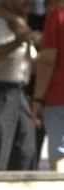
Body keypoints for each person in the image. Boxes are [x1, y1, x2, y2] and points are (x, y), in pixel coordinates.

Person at [0, 0, 41, 171]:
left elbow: (32, 63)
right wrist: (19, 41)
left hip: (20, 93)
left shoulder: (24, 24)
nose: (27, 2)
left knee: (26, 151)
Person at [32, 0, 64, 171]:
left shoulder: (57, 16)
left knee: (60, 159)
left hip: (60, 98)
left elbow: (48, 61)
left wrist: (37, 98)